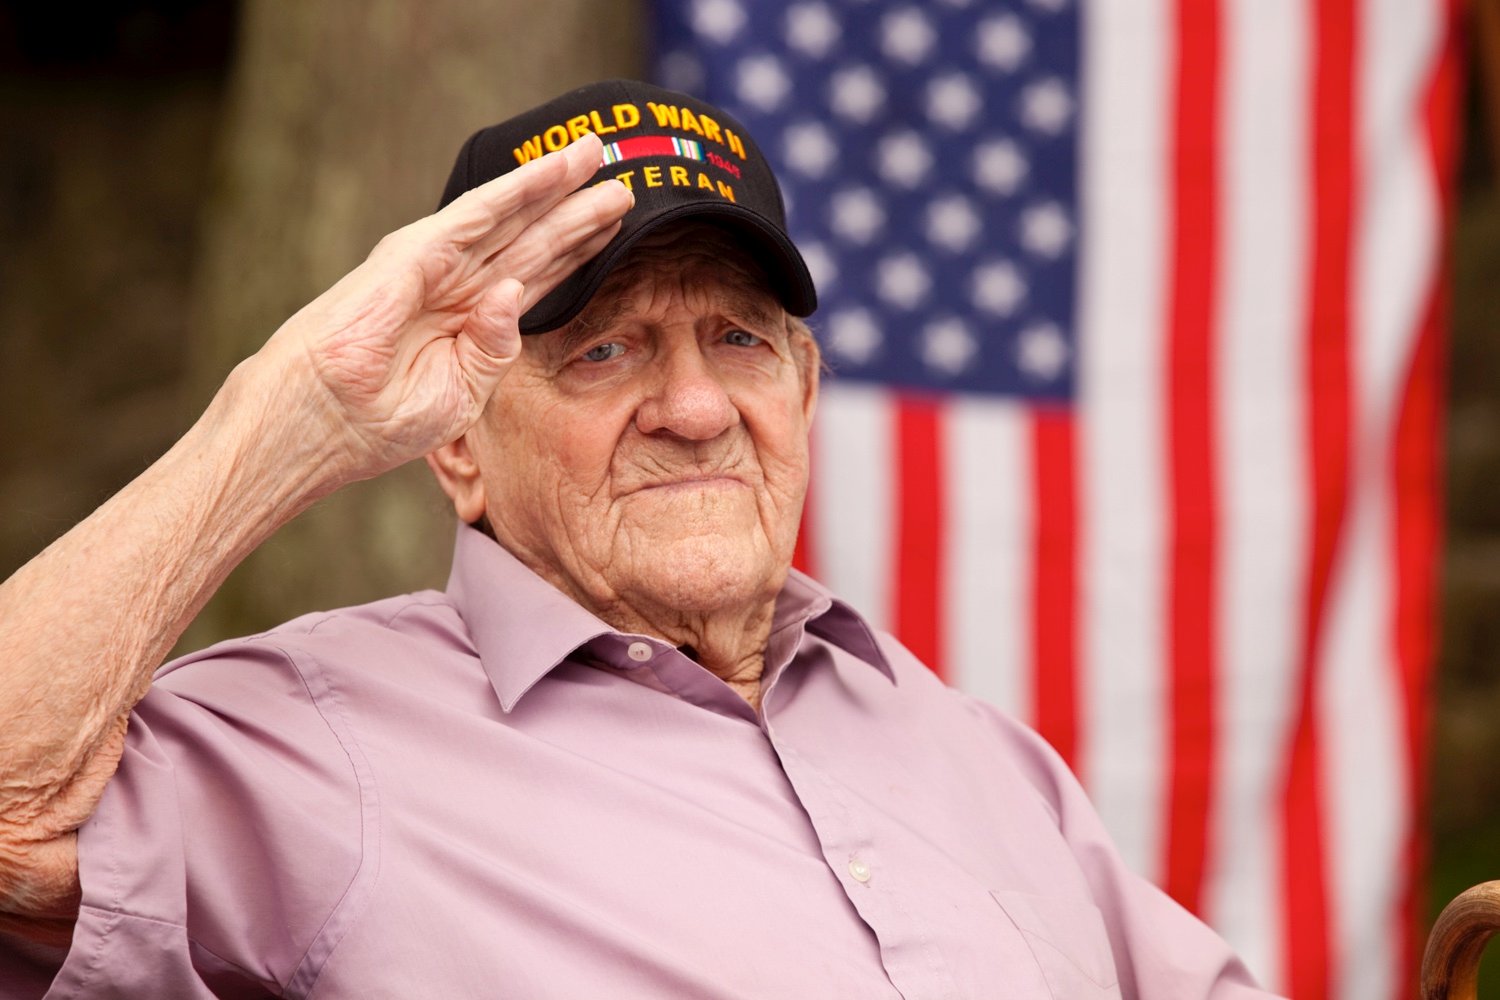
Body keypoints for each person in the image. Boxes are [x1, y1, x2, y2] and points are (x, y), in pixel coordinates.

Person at [0, 79, 1279, 999]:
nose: (693, 406)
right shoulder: (316, 744)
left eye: (738, 339)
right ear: (457, 441)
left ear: (804, 388)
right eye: (603, 349)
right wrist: (298, 411)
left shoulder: (974, 752)